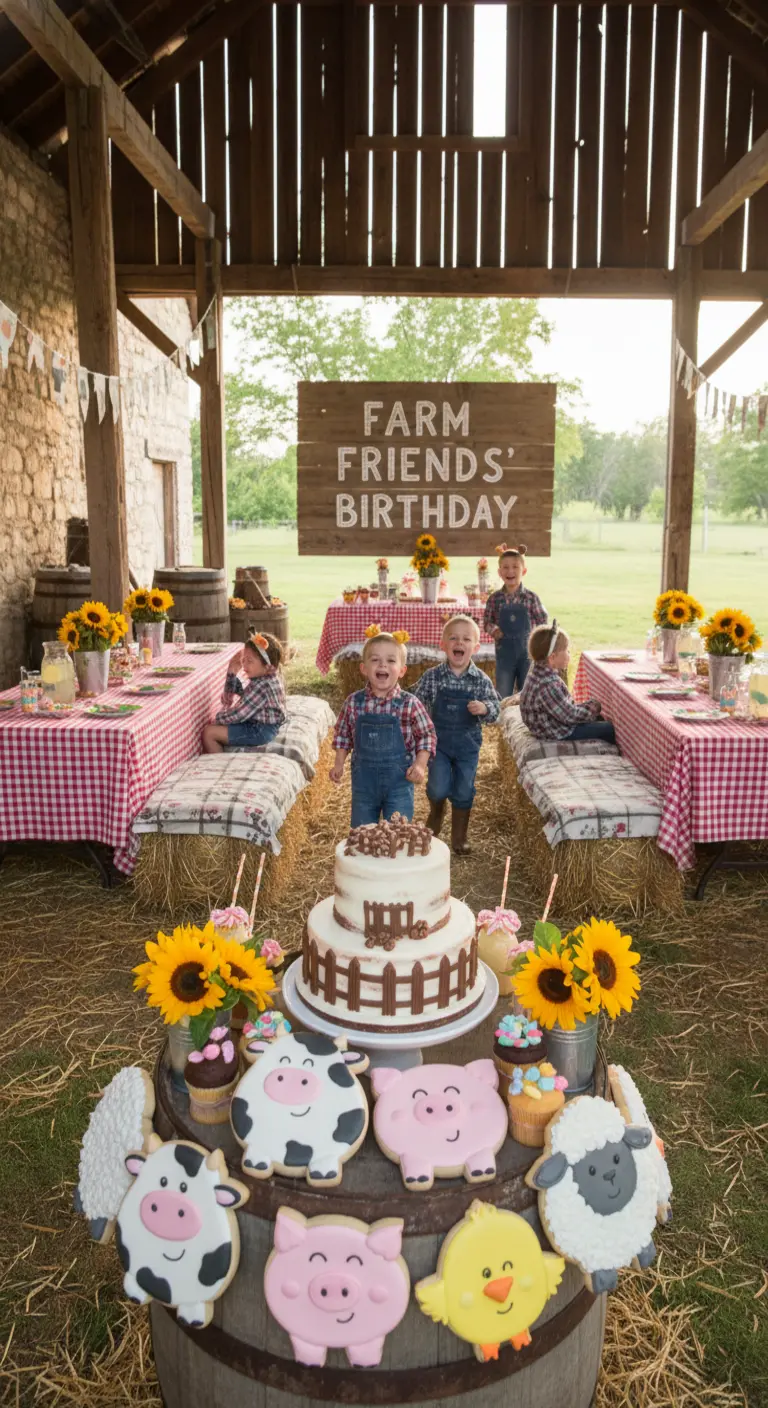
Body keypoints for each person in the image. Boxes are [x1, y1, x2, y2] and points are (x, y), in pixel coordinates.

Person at [412, 615, 500, 854]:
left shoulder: (480, 680)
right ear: (443, 644)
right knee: (438, 787)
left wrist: (484, 708)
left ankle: (459, 835)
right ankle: (436, 814)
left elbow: (497, 709)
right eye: (453, 638)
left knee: (463, 790)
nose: (459, 642)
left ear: (476, 647)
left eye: (466, 639)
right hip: (438, 743)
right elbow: (417, 706)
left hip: (467, 745)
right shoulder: (433, 677)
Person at [330, 629, 436, 826]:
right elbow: (343, 736)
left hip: (399, 784)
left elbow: (427, 736)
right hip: (364, 785)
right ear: (363, 668)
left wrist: (420, 764)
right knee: (362, 830)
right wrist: (338, 763)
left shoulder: (409, 704)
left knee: (398, 831)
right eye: (375, 660)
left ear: (402, 670)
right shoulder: (353, 703)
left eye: (391, 661)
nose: (382, 665)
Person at [520, 621, 616, 744]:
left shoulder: (537, 673)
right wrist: (594, 707)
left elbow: (564, 709)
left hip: (550, 724)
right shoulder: (548, 685)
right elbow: (570, 716)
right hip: (557, 732)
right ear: (552, 657)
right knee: (608, 728)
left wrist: (587, 709)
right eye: (566, 650)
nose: (569, 653)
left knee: (597, 718)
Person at [202, 632, 286, 754]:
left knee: (209, 733)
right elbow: (237, 697)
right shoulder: (266, 676)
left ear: (266, 665)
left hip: (260, 731)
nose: (244, 664)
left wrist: (218, 719)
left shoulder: (262, 686)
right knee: (216, 728)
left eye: (250, 661)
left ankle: (220, 768)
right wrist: (232, 672)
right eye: (244, 659)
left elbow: (238, 714)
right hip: (261, 725)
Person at [483, 544, 547, 701]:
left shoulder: (531, 598)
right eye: (505, 567)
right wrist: (494, 630)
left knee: (527, 692)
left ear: (523, 571)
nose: (510, 571)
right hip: (504, 655)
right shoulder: (494, 599)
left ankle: (524, 721)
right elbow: (487, 621)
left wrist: (538, 642)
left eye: (515, 567)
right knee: (503, 692)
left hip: (528, 654)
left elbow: (542, 622)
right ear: (499, 572)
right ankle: (503, 720)